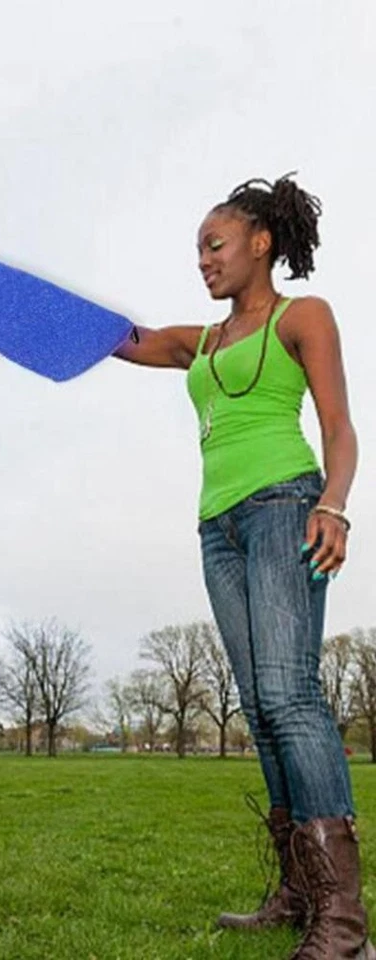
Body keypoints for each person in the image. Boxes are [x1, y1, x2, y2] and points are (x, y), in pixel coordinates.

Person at [113, 174, 371, 959]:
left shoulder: (304, 316)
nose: (202, 261)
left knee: (292, 697)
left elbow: (340, 426)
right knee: (259, 708)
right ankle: (298, 892)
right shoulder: (202, 340)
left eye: (213, 245)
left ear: (261, 244)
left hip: (285, 509)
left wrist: (332, 504)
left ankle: (345, 924)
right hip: (217, 528)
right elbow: (123, 339)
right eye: (196, 250)